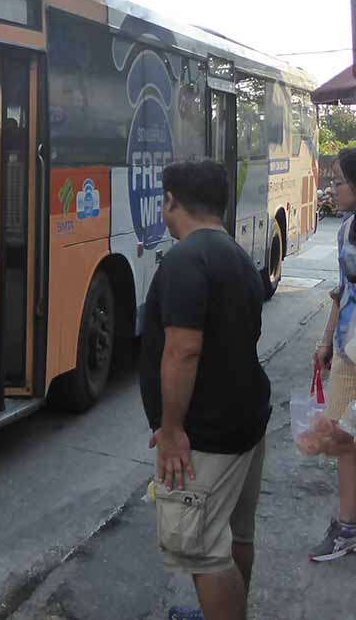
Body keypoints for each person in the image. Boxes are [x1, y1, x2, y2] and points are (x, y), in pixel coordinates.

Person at [141, 159, 269, 620]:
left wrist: (172, 430)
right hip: (246, 424)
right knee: (235, 537)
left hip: (208, 437)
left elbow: (183, 351)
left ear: (171, 201)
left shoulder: (184, 258)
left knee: (202, 552)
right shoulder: (237, 255)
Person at [308, 150, 356, 562]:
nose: (331, 189)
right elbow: (341, 291)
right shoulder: (347, 229)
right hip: (348, 352)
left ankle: (347, 526)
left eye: (338, 181)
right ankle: (347, 525)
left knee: (343, 439)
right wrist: (325, 343)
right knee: (343, 440)